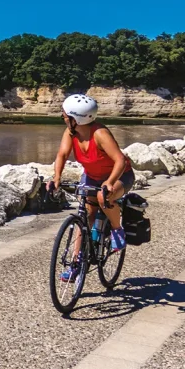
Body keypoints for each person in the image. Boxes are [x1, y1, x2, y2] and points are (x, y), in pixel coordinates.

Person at [46, 94, 135, 281]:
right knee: (85, 215)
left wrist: (110, 182)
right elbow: (62, 155)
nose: (62, 117)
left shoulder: (100, 134)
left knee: (104, 198)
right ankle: (76, 263)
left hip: (120, 175)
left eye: (64, 115)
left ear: (74, 119)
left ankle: (117, 230)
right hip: (92, 176)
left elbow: (119, 159)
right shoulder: (70, 133)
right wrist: (56, 177)